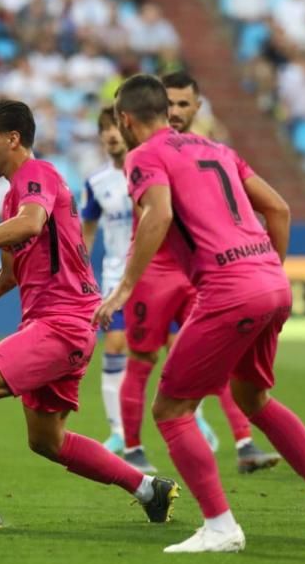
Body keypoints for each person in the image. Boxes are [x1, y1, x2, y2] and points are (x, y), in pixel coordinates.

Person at [95, 74, 305, 553]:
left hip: (227, 287)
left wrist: (125, 285)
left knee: (172, 410)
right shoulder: (217, 149)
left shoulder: (142, 156)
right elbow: (278, 209)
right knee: (252, 397)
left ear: (126, 119)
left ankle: (220, 527)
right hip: (272, 282)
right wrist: (266, 273)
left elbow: (159, 214)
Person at [0, 99, 178, 530]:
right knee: (47, 440)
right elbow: (7, 278)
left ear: (13, 139)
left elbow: (30, 225)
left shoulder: (37, 177)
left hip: (61, 323)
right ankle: (149, 489)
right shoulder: (14, 200)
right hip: (64, 325)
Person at [112, 72, 281, 474]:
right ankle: (134, 450)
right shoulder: (148, 154)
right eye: (167, 104)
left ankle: (244, 444)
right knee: (142, 358)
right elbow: (158, 214)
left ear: (196, 108)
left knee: (219, 360)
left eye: (182, 105)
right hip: (154, 271)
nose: (173, 112)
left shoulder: (211, 152)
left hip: (207, 273)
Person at [78, 107, 133, 454]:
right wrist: (80, 273)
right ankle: (119, 432)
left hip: (159, 276)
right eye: (104, 129)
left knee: (176, 350)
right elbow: (87, 233)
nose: (111, 134)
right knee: (115, 345)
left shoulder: (151, 172)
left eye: (116, 126)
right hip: (116, 278)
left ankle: (196, 418)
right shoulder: (96, 183)